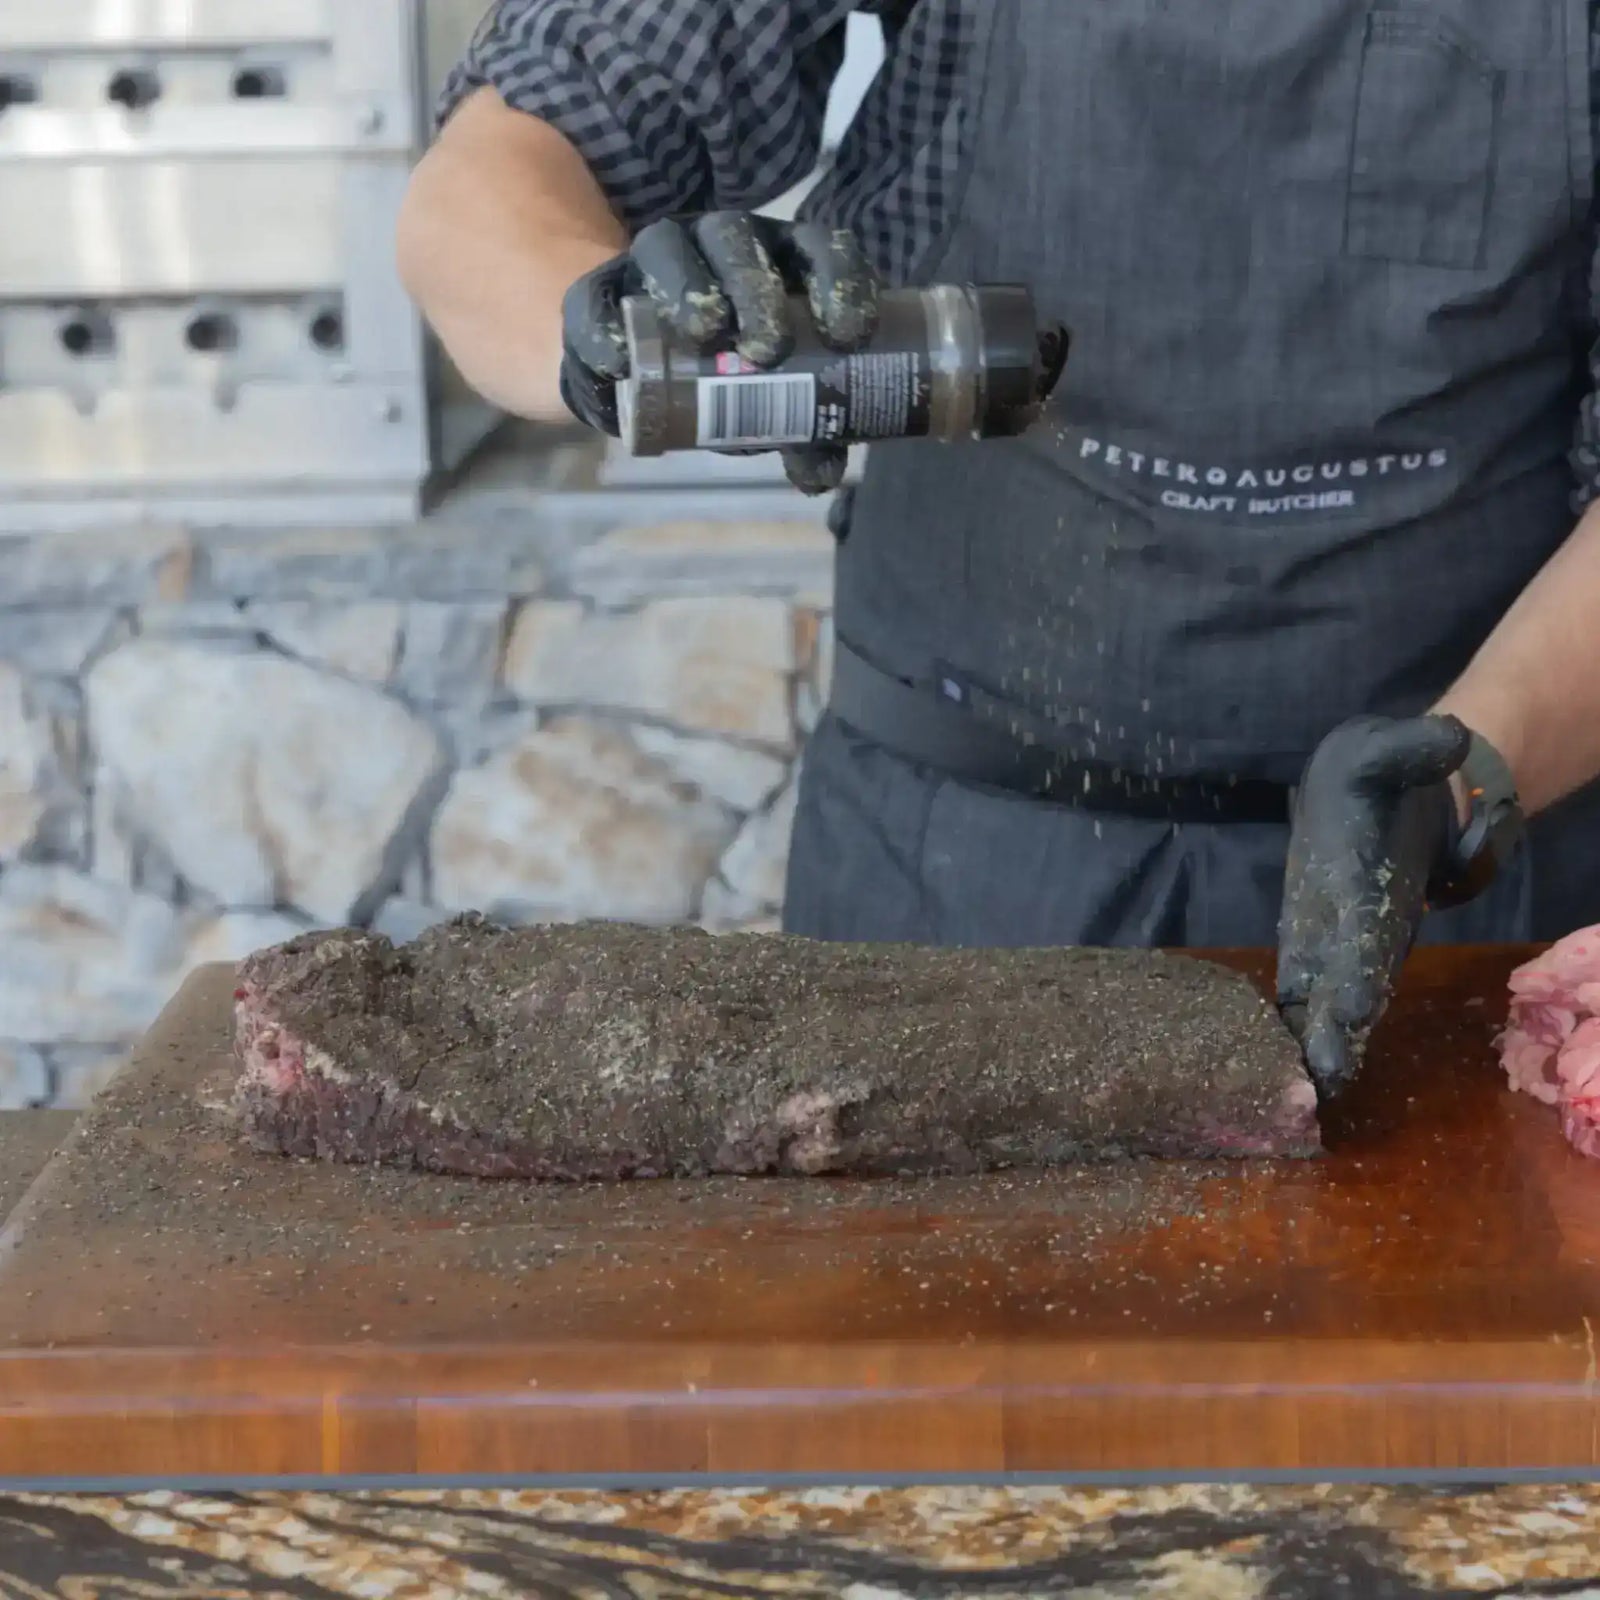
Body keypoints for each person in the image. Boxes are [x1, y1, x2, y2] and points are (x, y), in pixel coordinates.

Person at [399, 0, 1600, 1098]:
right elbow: (496, 171)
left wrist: (1453, 788)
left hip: (1468, 869)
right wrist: (604, 326)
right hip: (950, 874)